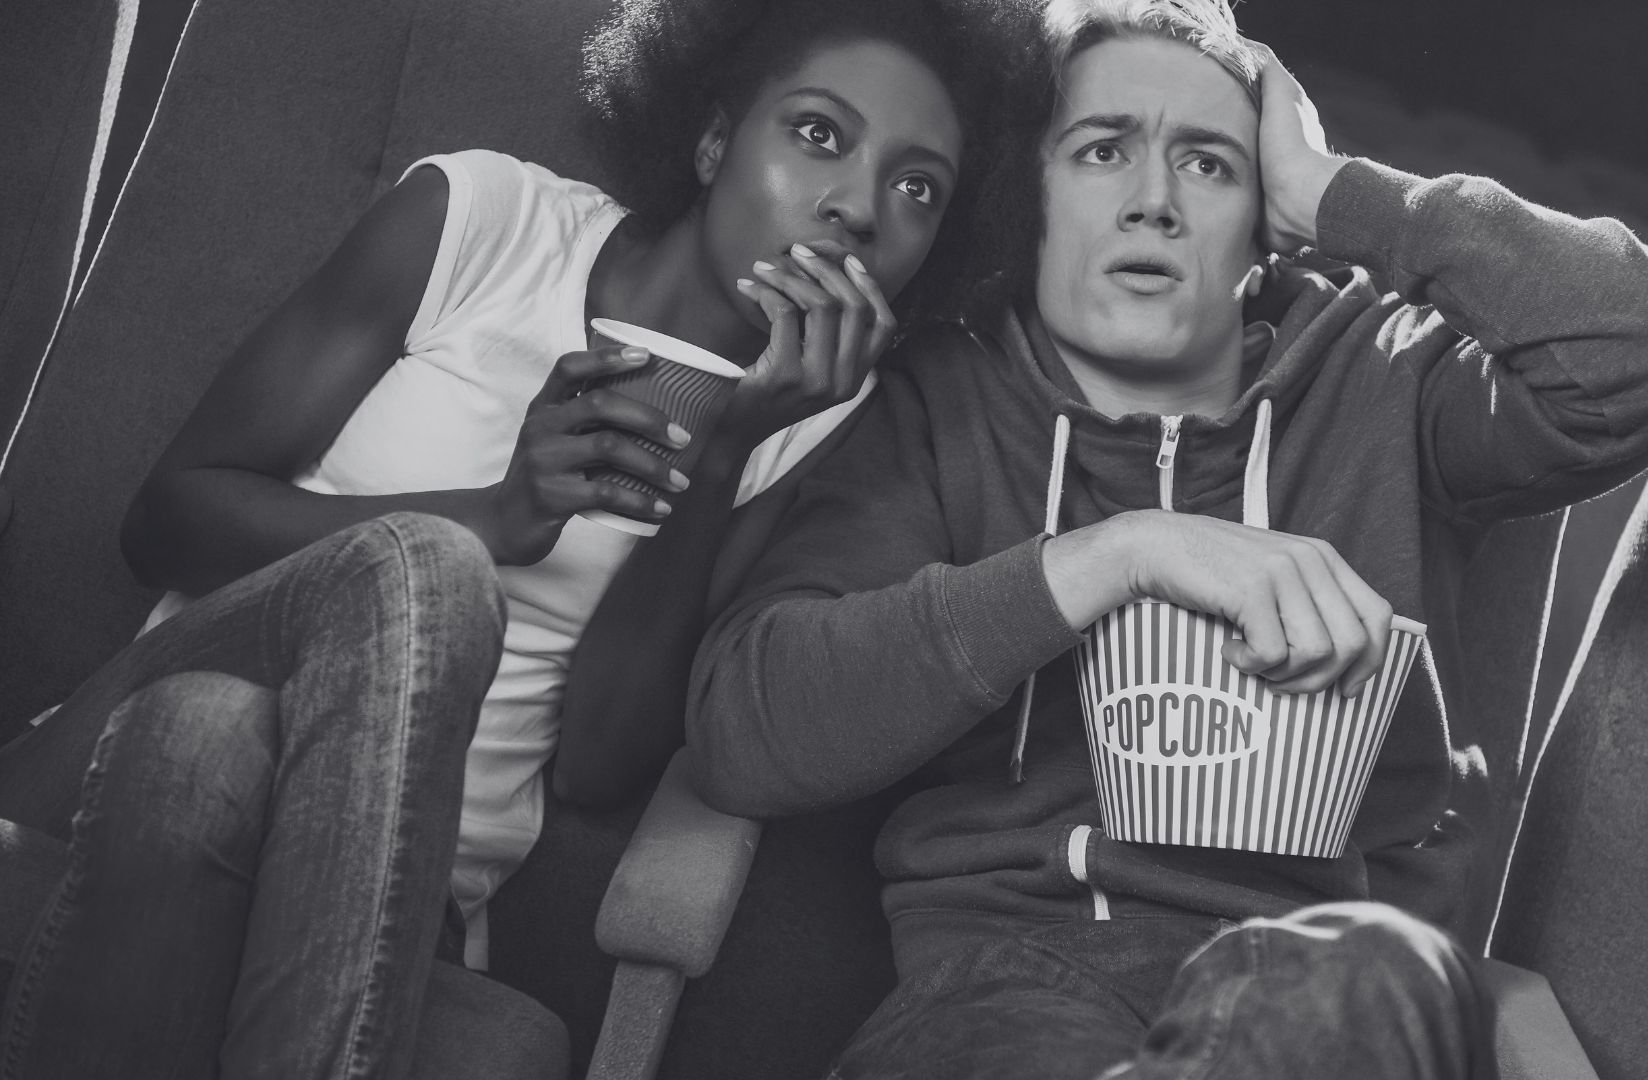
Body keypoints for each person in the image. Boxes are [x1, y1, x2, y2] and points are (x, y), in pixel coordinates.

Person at [686, 1, 1648, 1077]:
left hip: (1335, 987)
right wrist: (1120, 555)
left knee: (1369, 972)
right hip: (1007, 984)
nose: (1153, 201)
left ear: (1263, 224)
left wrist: (1337, 194)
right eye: (1102, 151)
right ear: (1026, 199)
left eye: (1208, 164)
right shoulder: (940, 404)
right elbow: (747, 729)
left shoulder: (1390, 380)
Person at [0, 0, 1016, 1074]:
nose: (859, 207)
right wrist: (494, 518)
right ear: (716, 139)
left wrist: (722, 453)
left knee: (208, 742)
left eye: (918, 187)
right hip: (109, 755)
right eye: (818, 133)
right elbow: (165, 522)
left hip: (404, 871)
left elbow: (597, 768)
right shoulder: (485, 224)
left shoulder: (817, 424)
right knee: (427, 571)